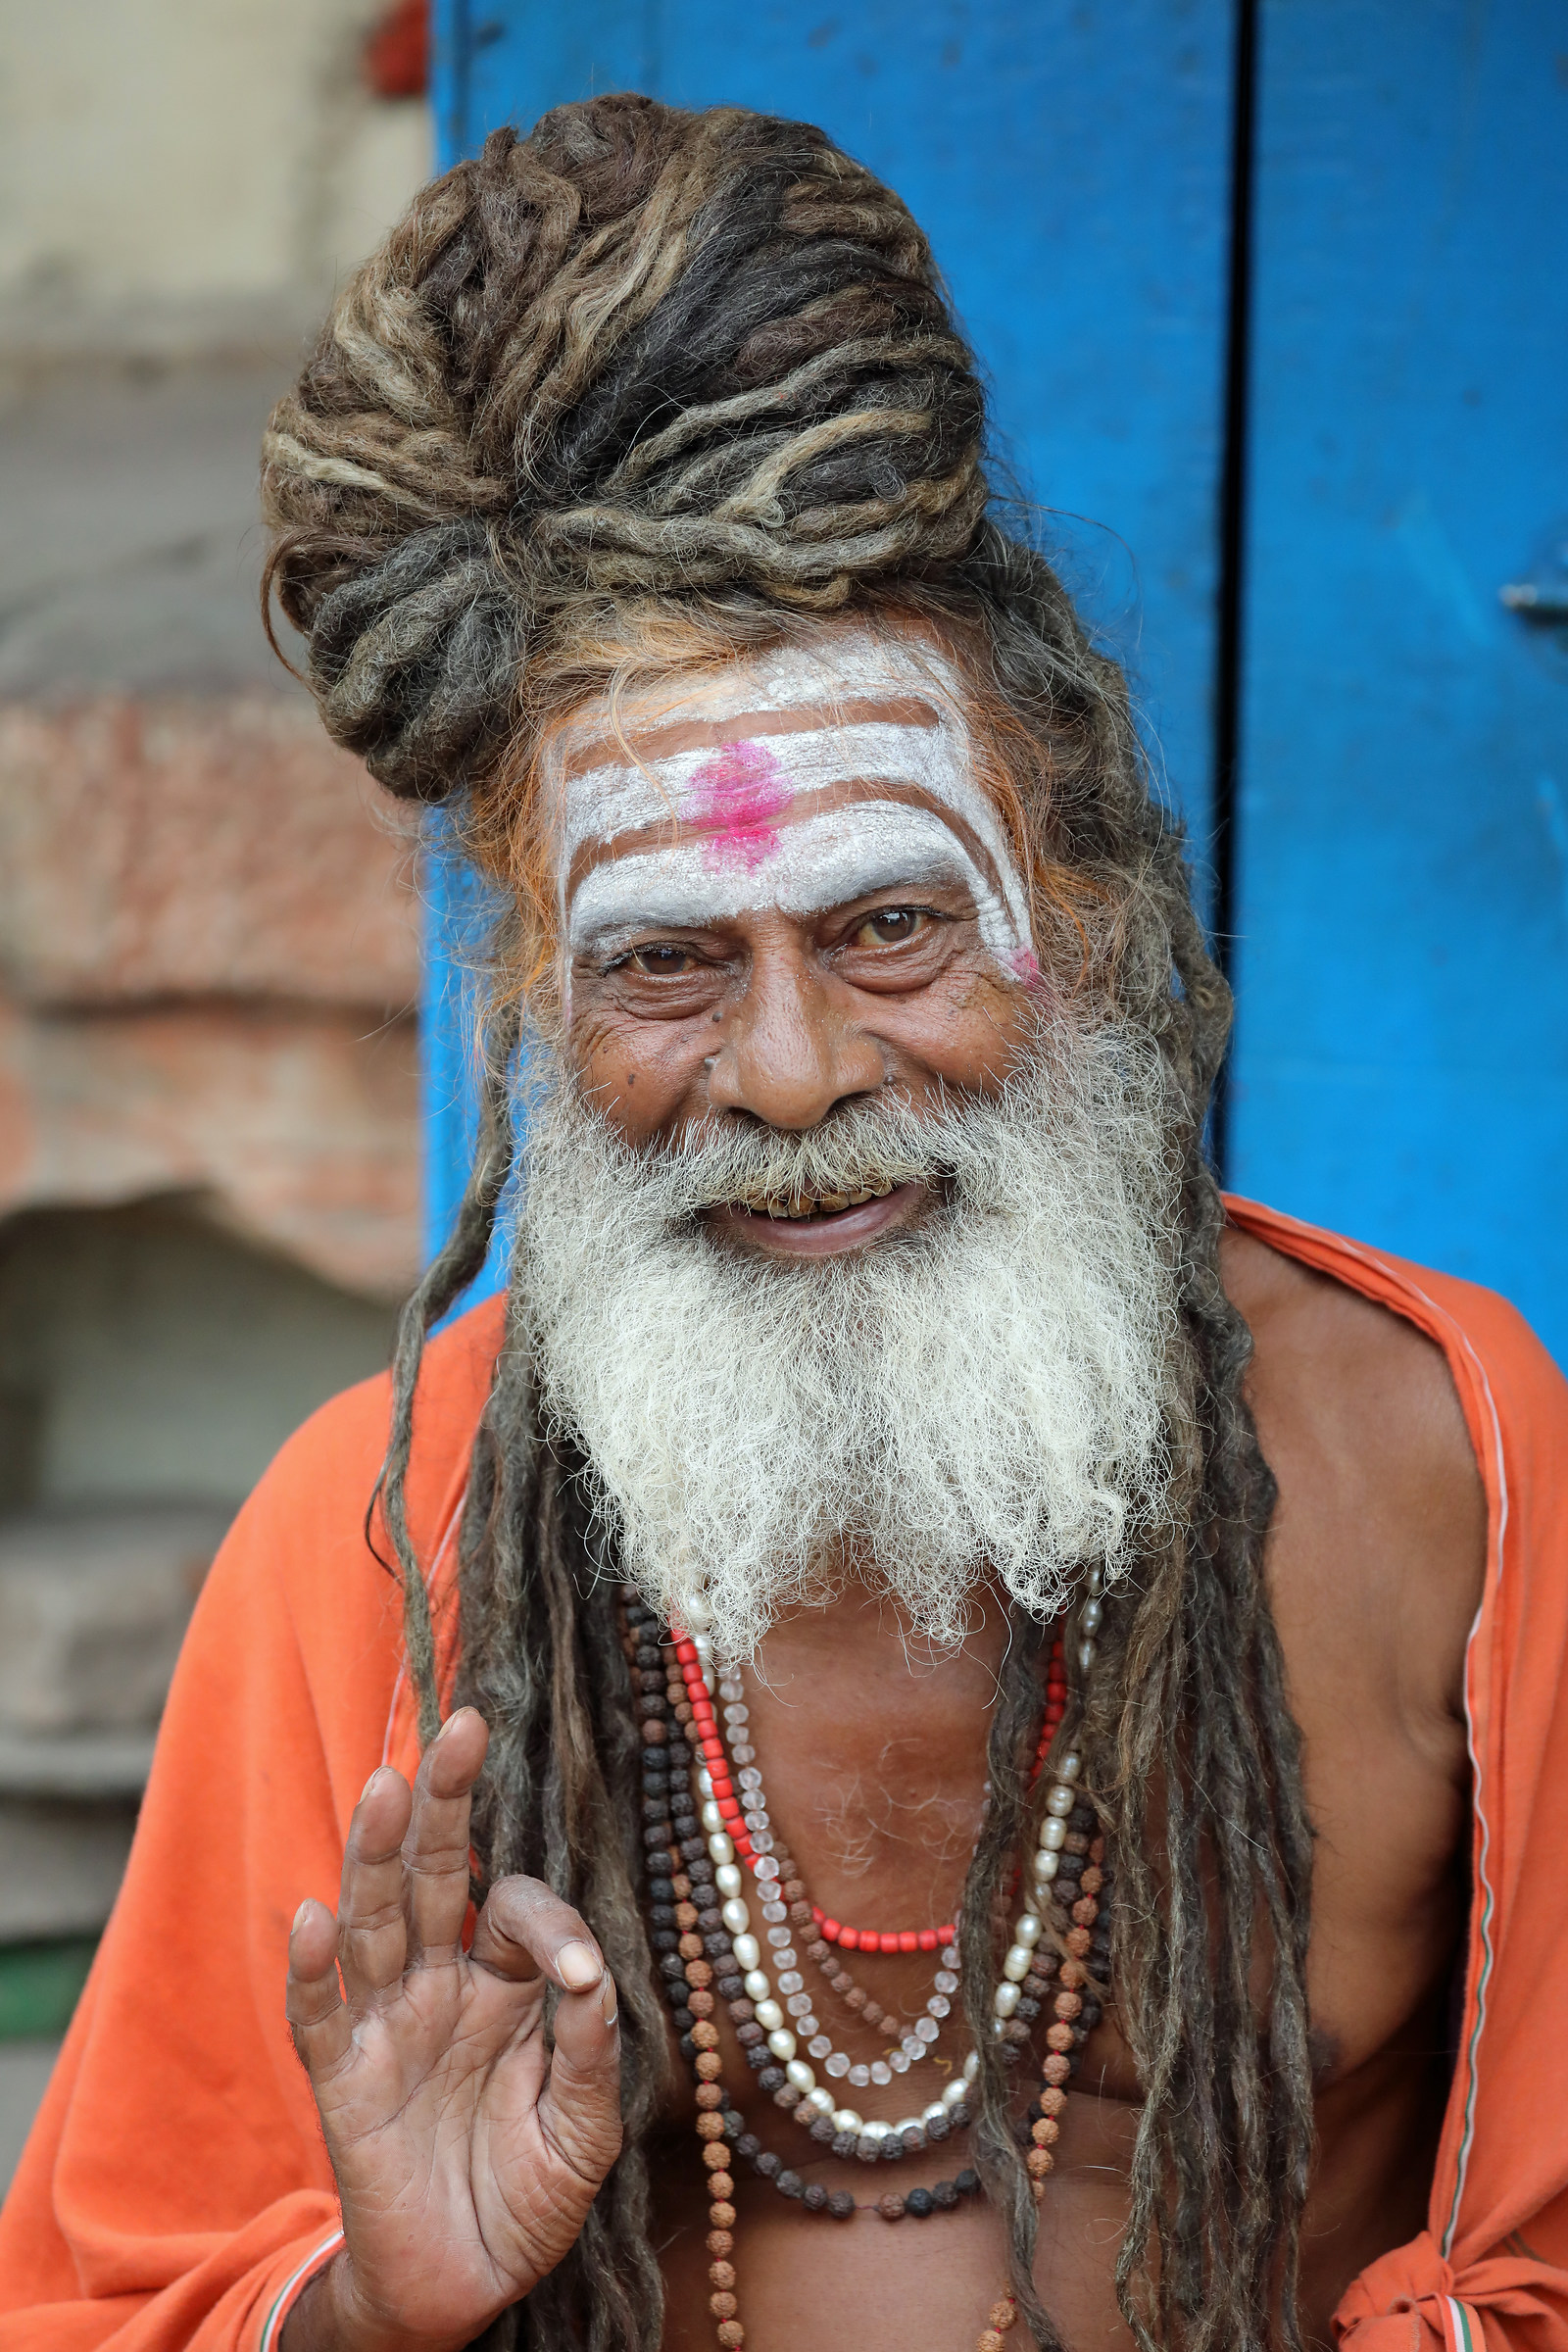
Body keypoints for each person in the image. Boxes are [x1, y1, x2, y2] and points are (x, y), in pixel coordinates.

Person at [2, 93, 1566, 2352]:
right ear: (536, 1005)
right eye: (663, 964)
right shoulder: (387, 1545)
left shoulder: (1443, 1469)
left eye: (890, 928)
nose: (793, 1071)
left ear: (1089, 913)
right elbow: (108, 2306)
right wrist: (363, 2313)